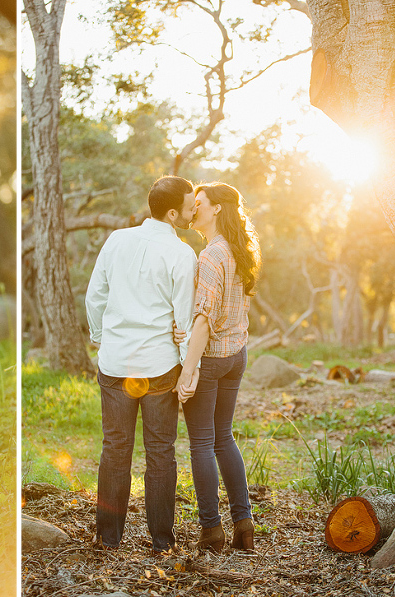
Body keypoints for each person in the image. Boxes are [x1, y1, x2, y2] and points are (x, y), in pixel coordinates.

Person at [85, 175, 197, 553]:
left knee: (115, 448)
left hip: (116, 362)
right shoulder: (182, 254)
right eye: (189, 203)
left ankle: (108, 537)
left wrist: (100, 337)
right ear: (171, 212)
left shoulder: (117, 239)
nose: (194, 208)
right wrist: (186, 366)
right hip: (159, 367)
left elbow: (94, 295)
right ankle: (162, 542)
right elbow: (183, 318)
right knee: (161, 451)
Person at [176, 182, 261, 552]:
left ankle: (211, 531)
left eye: (199, 204)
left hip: (210, 360)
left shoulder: (210, 257)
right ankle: (244, 523)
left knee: (201, 444)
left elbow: (205, 321)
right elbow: (222, 313)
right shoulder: (238, 252)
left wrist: (187, 370)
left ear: (217, 210)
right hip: (236, 357)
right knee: (224, 437)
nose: (193, 210)